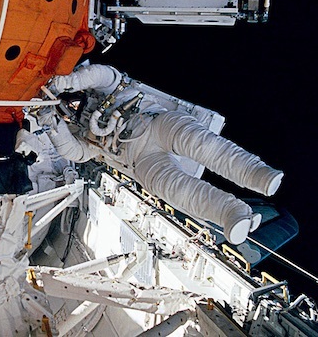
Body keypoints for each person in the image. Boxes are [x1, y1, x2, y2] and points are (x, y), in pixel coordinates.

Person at [40, 64, 283, 244]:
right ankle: (231, 213)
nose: (73, 106)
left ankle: (257, 174)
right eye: (69, 108)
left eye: (73, 101)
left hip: (155, 123)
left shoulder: (107, 87)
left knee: (203, 145)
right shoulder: (82, 132)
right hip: (139, 158)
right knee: (173, 189)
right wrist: (49, 120)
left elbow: (102, 74)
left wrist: (67, 83)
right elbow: (75, 151)